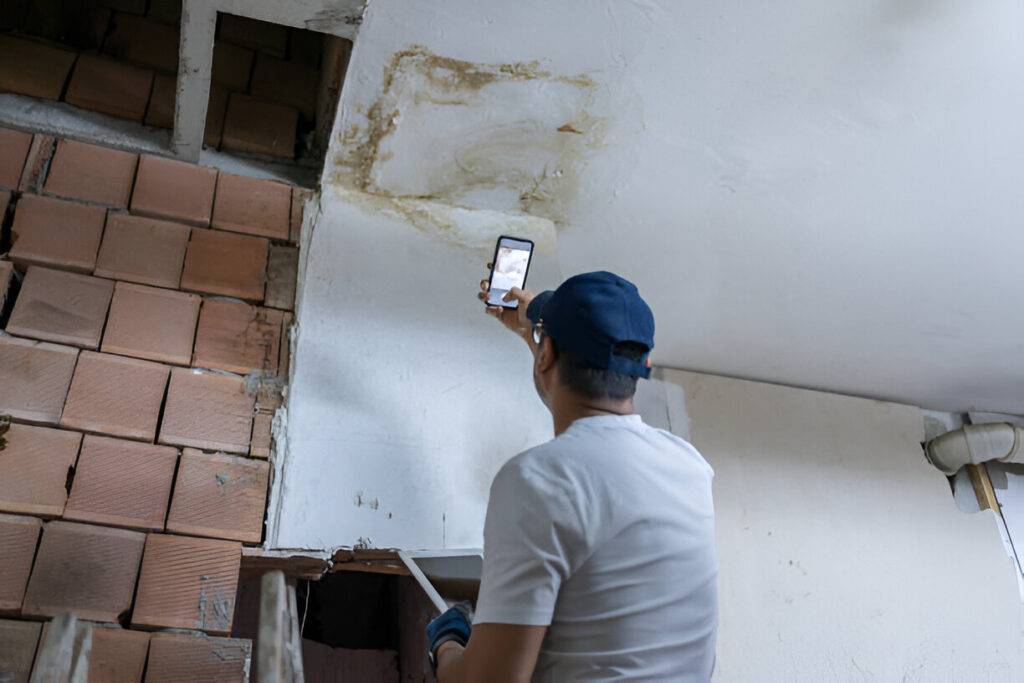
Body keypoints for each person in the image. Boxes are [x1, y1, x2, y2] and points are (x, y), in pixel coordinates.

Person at [426, 270, 718, 682]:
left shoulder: (537, 481)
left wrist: (448, 644)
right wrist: (538, 333)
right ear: (640, 366)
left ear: (545, 356)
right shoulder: (689, 467)